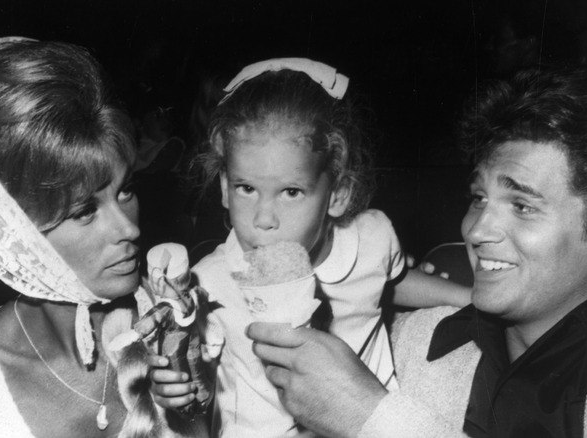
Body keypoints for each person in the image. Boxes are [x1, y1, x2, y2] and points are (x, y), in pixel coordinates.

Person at [247, 65, 587, 437]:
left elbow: (368, 416)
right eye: (479, 198)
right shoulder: (411, 344)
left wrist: (370, 417)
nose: (476, 230)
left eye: (522, 206)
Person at [0, 37, 204, 438]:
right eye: (85, 211)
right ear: (12, 227)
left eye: (126, 190)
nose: (129, 229)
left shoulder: (173, 326)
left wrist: (189, 410)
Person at [150, 58, 471, 437]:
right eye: (246, 188)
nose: (264, 218)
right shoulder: (208, 282)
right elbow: (200, 386)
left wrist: (468, 295)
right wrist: (175, 390)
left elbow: (392, 280)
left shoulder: (373, 235)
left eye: (291, 192)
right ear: (224, 187)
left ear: (337, 195)